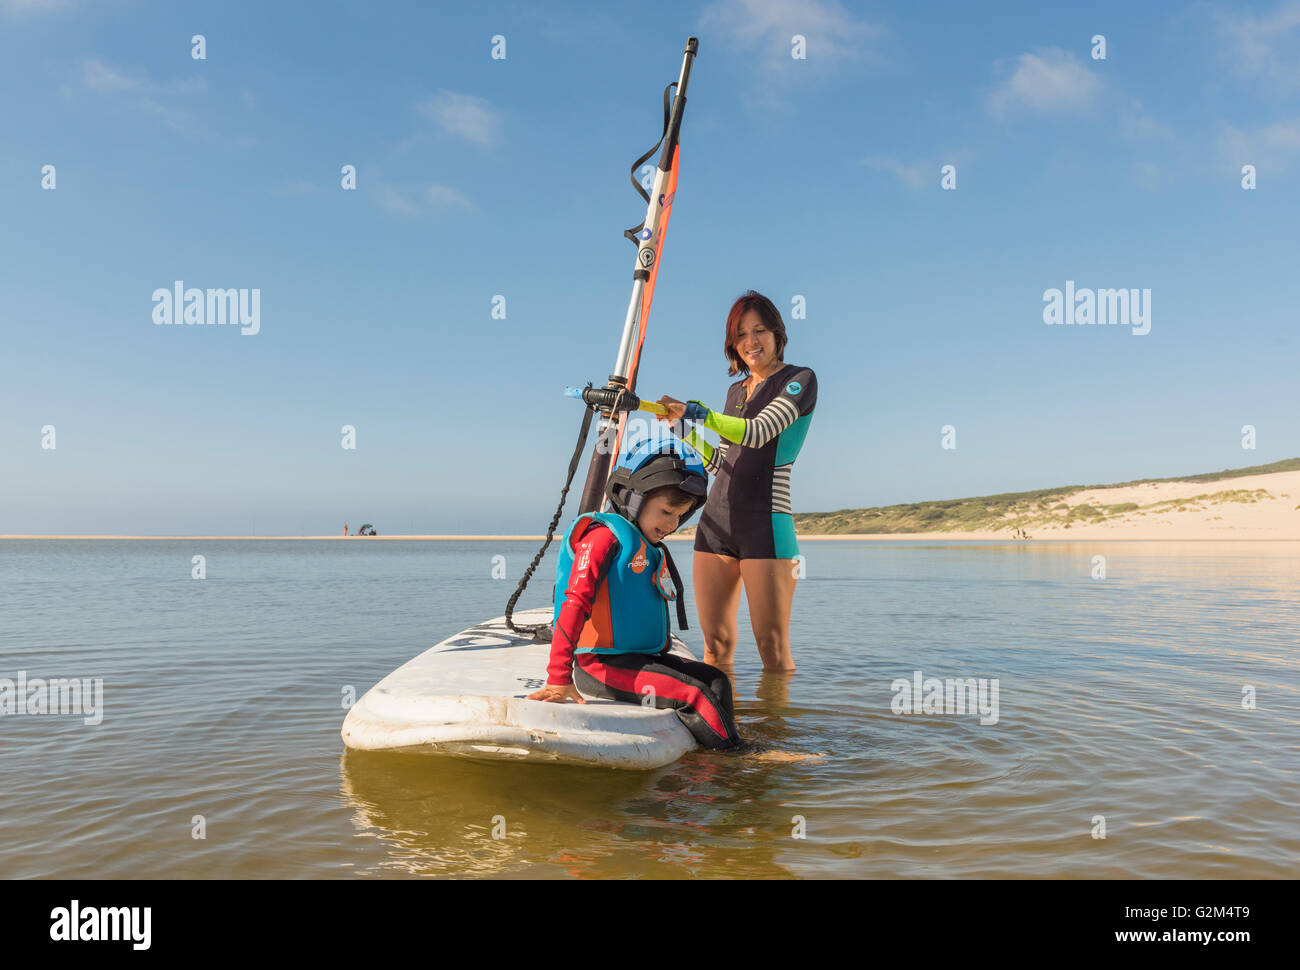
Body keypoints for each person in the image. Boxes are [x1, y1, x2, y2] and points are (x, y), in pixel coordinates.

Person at [527, 437, 743, 751]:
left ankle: (715, 754)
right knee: (694, 695)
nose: (672, 523)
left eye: (680, 516)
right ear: (632, 497)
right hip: (600, 666)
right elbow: (573, 605)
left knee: (716, 680)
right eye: (667, 511)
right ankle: (739, 761)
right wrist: (558, 677)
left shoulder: (644, 544)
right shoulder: (600, 538)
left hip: (640, 657)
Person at [657, 290, 817, 673]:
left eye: (759, 330)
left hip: (766, 527)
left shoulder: (799, 380)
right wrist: (684, 429)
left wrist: (699, 413)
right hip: (715, 527)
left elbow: (760, 432)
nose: (751, 342)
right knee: (716, 648)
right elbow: (722, 465)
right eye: (741, 335)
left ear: (777, 333)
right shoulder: (735, 392)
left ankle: (777, 732)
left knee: (773, 651)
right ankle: (725, 728)